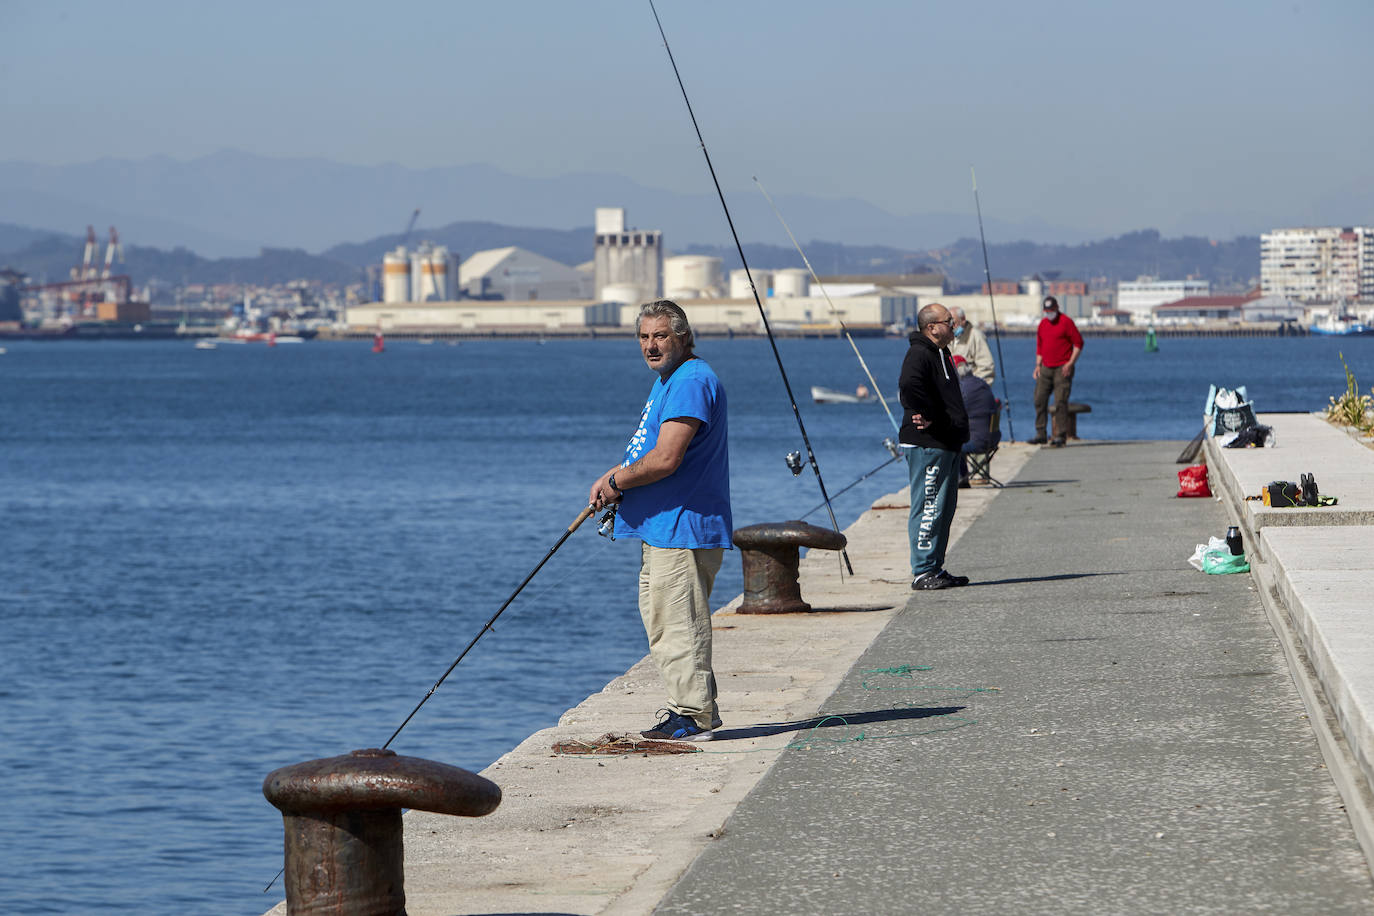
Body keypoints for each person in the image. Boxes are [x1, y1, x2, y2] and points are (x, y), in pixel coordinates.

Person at [588, 300, 732, 741]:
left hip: (682, 526)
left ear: (683, 337)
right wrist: (615, 475)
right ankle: (687, 709)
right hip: (662, 527)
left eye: (661, 336)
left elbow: (667, 459)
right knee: (664, 623)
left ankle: (694, 717)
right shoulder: (670, 379)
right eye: (644, 337)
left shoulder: (691, 380)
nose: (651, 345)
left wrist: (617, 480)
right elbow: (648, 450)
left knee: (680, 625)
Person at [898, 302, 970, 591]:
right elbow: (909, 385)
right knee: (929, 506)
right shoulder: (919, 353)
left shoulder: (942, 352)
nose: (954, 325)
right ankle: (922, 570)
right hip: (928, 444)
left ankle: (935, 567)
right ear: (932, 327)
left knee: (944, 507)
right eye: (948, 321)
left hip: (947, 441)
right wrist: (928, 415)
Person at [1032, 295, 1084, 447]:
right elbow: (1040, 347)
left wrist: (1070, 363)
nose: (1050, 313)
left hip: (1062, 367)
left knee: (1061, 401)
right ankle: (1041, 433)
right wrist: (1037, 366)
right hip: (1046, 367)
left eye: (1052, 310)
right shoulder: (1042, 324)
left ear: (1057, 308)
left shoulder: (1066, 322)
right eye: (1047, 311)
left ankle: (1060, 435)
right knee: (1039, 399)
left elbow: (1078, 343)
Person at [953, 355, 1001, 487]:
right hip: (993, 438)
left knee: (951, 444)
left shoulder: (962, 389)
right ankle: (962, 478)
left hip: (978, 442)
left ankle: (961, 478)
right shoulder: (982, 384)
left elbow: (952, 414)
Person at [947, 305, 996, 384]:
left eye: (953, 322)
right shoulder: (948, 339)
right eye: (948, 323)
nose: (951, 326)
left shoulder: (976, 336)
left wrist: (972, 386)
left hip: (970, 390)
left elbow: (987, 367)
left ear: (962, 319)